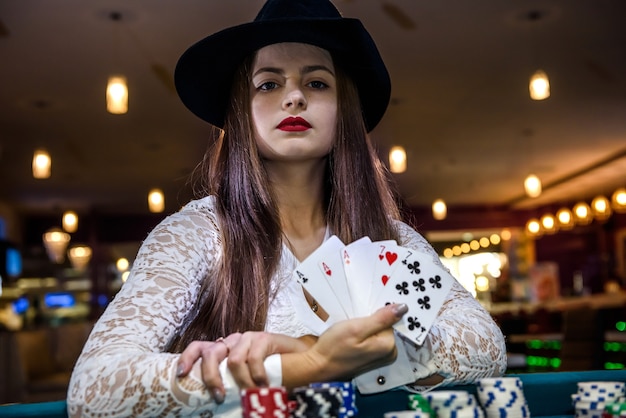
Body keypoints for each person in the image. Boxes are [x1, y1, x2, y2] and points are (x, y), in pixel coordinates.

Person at [67, 0, 507, 416]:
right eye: (269, 84)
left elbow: (487, 348)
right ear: (242, 110)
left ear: (344, 110)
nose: (294, 97)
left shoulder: (390, 237)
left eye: (316, 82)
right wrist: (308, 364)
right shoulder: (195, 234)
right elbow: (93, 389)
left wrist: (373, 351)